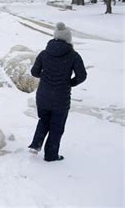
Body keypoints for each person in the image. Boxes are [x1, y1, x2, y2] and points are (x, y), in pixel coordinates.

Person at [28, 22, 87, 162]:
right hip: (61, 98)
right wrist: (69, 83)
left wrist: (47, 77)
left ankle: (36, 144)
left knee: (44, 119)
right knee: (57, 126)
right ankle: (51, 155)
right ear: (68, 39)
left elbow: (34, 72)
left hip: (43, 95)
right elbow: (82, 76)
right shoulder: (73, 55)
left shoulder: (44, 53)